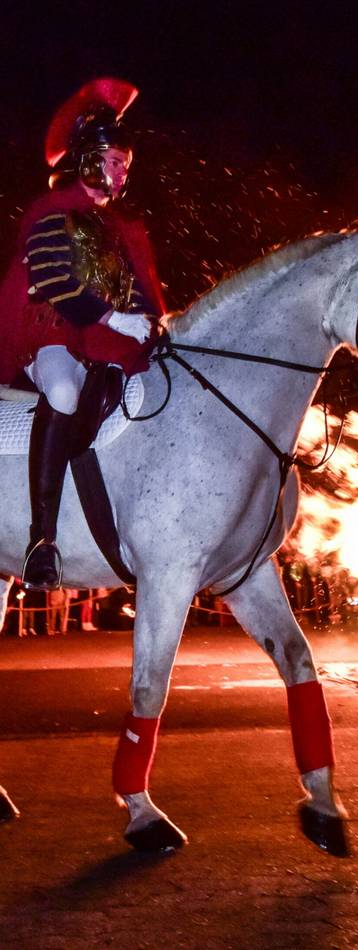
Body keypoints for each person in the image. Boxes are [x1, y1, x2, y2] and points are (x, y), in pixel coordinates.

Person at [0, 78, 163, 590]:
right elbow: (52, 281)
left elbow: (136, 290)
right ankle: (41, 540)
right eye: (114, 161)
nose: (122, 172)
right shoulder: (52, 215)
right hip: (52, 333)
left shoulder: (119, 228)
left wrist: (148, 322)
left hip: (101, 344)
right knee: (65, 391)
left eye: (125, 165)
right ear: (90, 160)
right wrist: (114, 320)